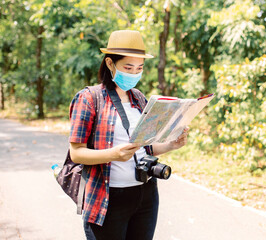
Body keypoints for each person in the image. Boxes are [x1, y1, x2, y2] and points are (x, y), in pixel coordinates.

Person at [69, 30, 189, 240]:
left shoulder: (140, 99)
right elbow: (77, 153)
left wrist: (171, 145)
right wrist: (114, 154)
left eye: (139, 68)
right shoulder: (89, 98)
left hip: (145, 195)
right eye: (128, 67)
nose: (134, 73)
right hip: (107, 198)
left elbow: (146, 147)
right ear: (110, 63)